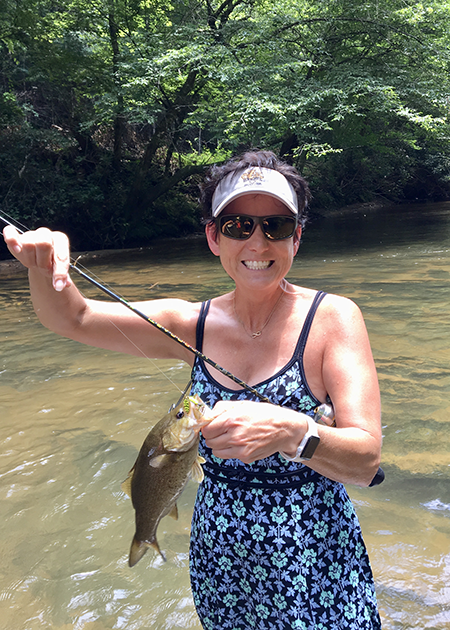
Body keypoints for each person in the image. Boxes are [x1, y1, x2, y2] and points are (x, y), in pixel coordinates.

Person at [3, 150, 382, 629]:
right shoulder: (191, 324)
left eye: (276, 226)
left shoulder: (334, 319)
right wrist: (43, 261)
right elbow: (73, 316)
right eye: (239, 226)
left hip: (314, 554)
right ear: (213, 236)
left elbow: (366, 459)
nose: (258, 241)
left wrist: (293, 432)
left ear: (297, 237)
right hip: (220, 559)